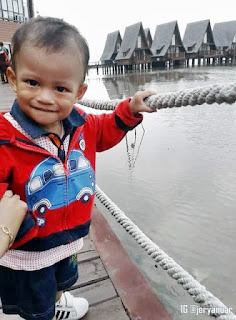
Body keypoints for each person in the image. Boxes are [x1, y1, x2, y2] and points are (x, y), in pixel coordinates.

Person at [0, 16, 155, 320]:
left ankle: (56, 303)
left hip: (69, 239)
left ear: (79, 92)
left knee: (61, 282)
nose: (45, 97)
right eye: (33, 82)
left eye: (60, 88)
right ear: (13, 79)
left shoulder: (82, 124)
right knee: (34, 303)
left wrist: (131, 109)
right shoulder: (5, 138)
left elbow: (108, 127)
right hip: (28, 251)